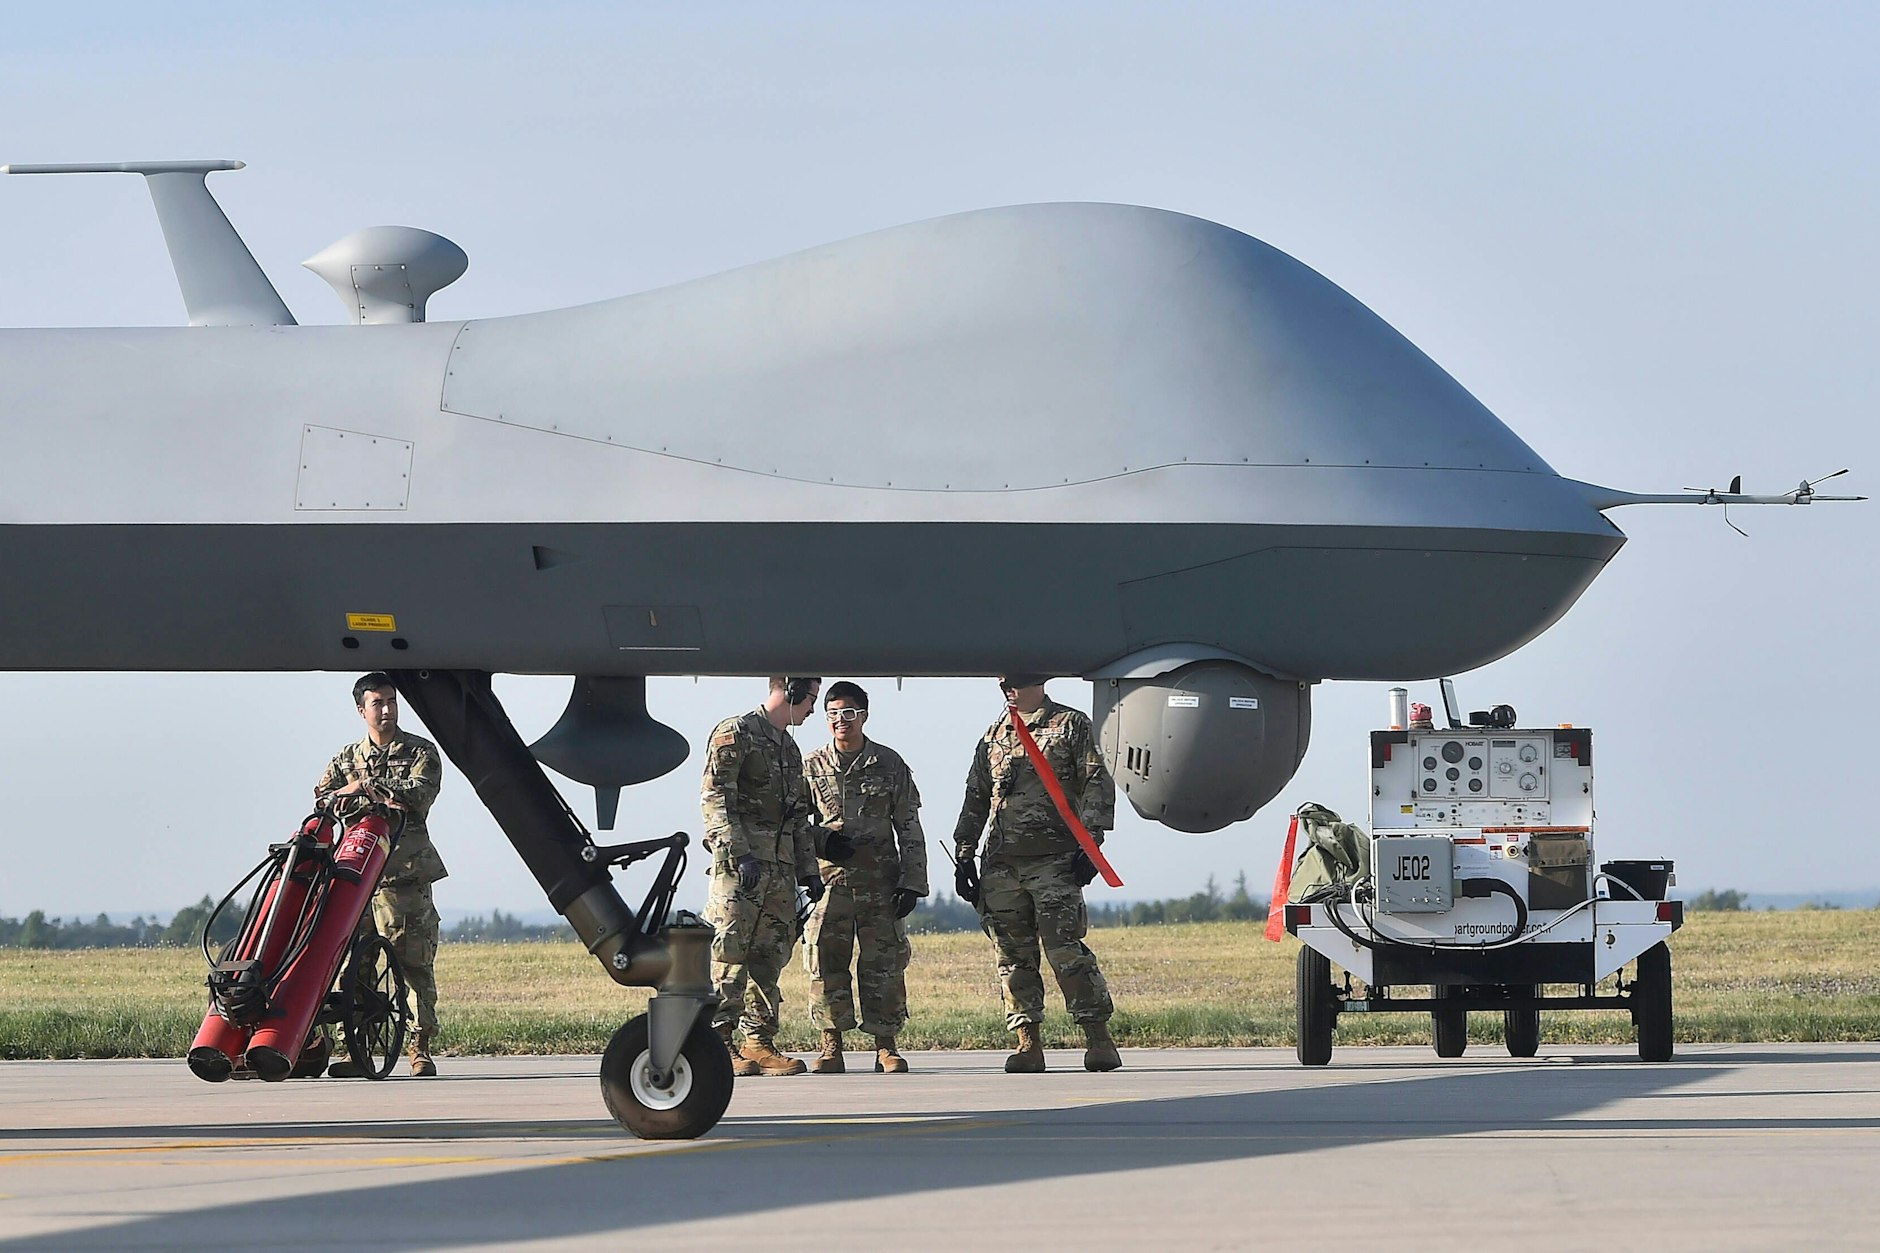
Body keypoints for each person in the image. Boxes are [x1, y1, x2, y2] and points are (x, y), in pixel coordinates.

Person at [951, 675, 1121, 1073]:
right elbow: (976, 796)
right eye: (1003, 683)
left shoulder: (1071, 725)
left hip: (1055, 859)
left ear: (1038, 680)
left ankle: (1098, 1038)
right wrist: (964, 853)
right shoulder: (994, 735)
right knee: (1012, 957)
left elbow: (1096, 779)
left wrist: (1091, 843)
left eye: (1016, 681)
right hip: (1002, 864)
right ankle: (1028, 1042)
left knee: (1066, 952)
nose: (1008, 689)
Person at [700, 677, 844, 1077]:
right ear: (792, 691)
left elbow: (798, 816)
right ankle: (718, 1043)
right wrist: (738, 852)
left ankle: (759, 1042)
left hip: (778, 874)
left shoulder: (789, 747)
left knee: (769, 959)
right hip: (740, 872)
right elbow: (715, 798)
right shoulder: (737, 733)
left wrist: (808, 871)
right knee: (729, 957)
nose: (814, 709)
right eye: (812, 698)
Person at [312, 672, 446, 1077]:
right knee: (359, 966)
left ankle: (418, 1048)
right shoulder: (345, 758)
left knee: (413, 964)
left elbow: (419, 793)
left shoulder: (421, 750)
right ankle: (359, 1050)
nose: (386, 710)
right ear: (361, 710)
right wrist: (363, 794)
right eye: (377, 703)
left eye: (391, 701)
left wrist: (366, 787)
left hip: (402, 877)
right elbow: (324, 799)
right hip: (355, 881)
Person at [800, 681, 927, 1074]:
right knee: (824, 962)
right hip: (830, 883)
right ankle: (831, 1046)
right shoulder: (811, 765)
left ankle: (885, 1046)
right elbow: (794, 822)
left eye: (849, 713)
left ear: (864, 716)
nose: (842, 721)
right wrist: (821, 842)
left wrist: (912, 882)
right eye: (834, 714)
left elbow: (908, 824)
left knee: (883, 965)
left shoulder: (889, 764)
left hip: (880, 884)